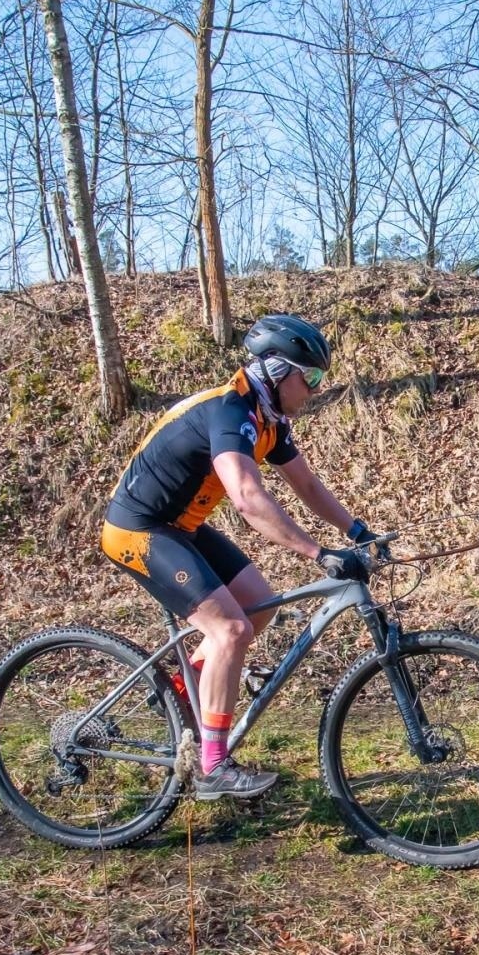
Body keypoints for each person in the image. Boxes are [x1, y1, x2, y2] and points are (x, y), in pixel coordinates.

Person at [99, 314, 383, 800]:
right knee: (229, 629)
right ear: (278, 371)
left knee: (261, 604)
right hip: (139, 530)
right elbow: (249, 499)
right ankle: (212, 767)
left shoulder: (269, 418)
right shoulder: (231, 411)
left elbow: (307, 486)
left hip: (181, 526)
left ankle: (182, 697)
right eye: (310, 377)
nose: (315, 389)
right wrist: (319, 554)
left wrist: (358, 531)